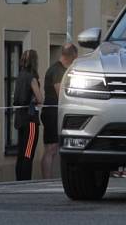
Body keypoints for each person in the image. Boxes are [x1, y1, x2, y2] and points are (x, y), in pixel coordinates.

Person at [41, 43, 78, 178]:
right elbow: (60, 93)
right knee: (51, 147)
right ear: (71, 56)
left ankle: (51, 178)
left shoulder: (57, 69)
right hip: (52, 113)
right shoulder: (57, 70)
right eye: (75, 59)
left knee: (53, 147)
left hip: (54, 112)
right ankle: (47, 179)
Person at [14, 49, 43, 181]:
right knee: (28, 152)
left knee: (21, 151)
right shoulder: (31, 78)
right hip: (30, 119)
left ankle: (19, 179)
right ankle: (26, 180)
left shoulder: (20, 76)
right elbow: (39, 98)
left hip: (19, 118)